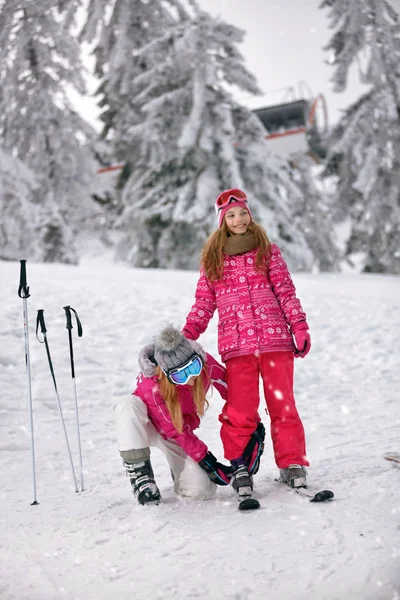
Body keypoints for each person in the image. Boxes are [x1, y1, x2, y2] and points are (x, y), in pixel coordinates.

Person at [182, 188, 311, 494]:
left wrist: (299, 326)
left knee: (283, 405)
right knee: (240, 409)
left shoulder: (267, 250)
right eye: (231, 215)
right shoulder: (213, 259)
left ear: (250, 215)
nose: (238, 220)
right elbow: (203, 303)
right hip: (237, 347)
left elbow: (285, 292)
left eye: (242, 213)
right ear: (222, 221)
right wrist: (188, 333)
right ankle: (240, 465)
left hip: (276, 341)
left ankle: (292, 463)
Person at [113, 325, 235, 505]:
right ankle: (141, 476)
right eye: (181, 376)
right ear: (167, 375)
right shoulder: (152, 383)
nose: (192, 378)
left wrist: (249, 423)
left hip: (176, 433)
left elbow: (232, 391)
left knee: (202, 490)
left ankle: (178, 470)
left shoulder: (206, 364)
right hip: (146, 426)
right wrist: (206, 459)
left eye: (194, 368)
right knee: (127, 405)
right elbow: (172, 426)